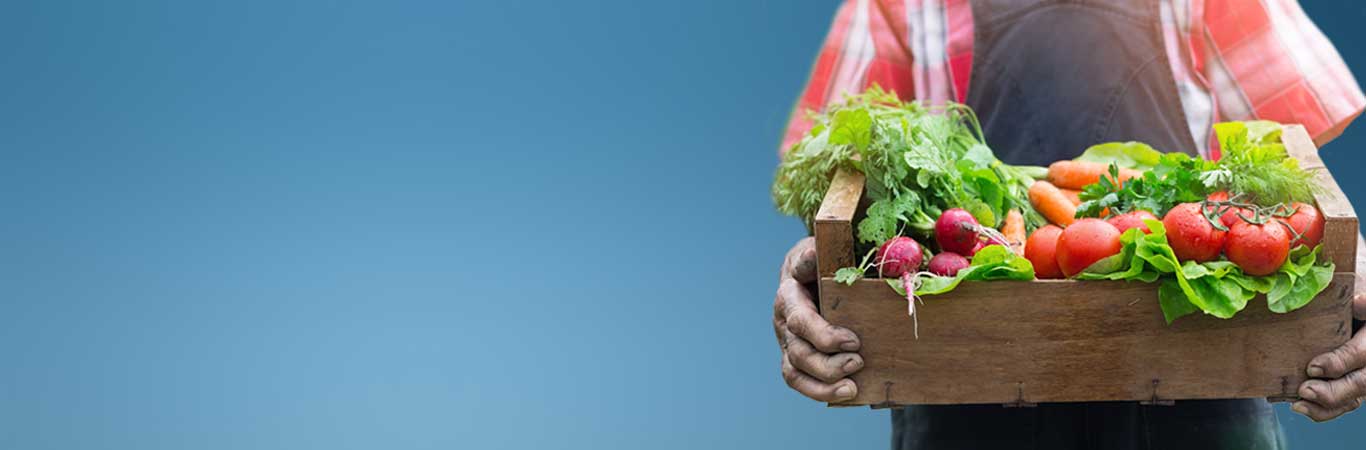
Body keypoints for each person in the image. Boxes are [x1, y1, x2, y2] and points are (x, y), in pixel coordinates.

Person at [773, 0, 1366, 448]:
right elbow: (838, 175)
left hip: (1200, 372)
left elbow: (1289, 168)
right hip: (964, 380)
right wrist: (815, 268)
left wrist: (1352, 265)